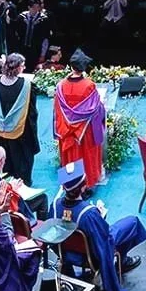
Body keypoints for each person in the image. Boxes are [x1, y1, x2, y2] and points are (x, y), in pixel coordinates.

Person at [52, 164, 146, 291]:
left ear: (64, 187)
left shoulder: (55, 206)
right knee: (132, 223)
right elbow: (104, 239)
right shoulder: (89, 213)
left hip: (67, 253)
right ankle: (122, 261)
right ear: (83, 187)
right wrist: (101, 216)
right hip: (92, 254)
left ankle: (122, 261)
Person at [53, 51, 109, 189]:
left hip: (67, 130)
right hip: (85, 132)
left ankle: (70, 186)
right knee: (86, 157)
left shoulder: (60, 86)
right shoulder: (89, 85)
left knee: (70, 158)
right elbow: (97, 109)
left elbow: (57, 110)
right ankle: (87, 185)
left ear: (71, 67)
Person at [0, 53, 41, 185]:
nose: (24, 68)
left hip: (0, 130)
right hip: (21, 131)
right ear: (17, 68)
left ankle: (6, 182)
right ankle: (23, 184)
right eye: (23, 65)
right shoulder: (26, 85)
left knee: (6, 159)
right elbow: (31, 111)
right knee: (22, 159)